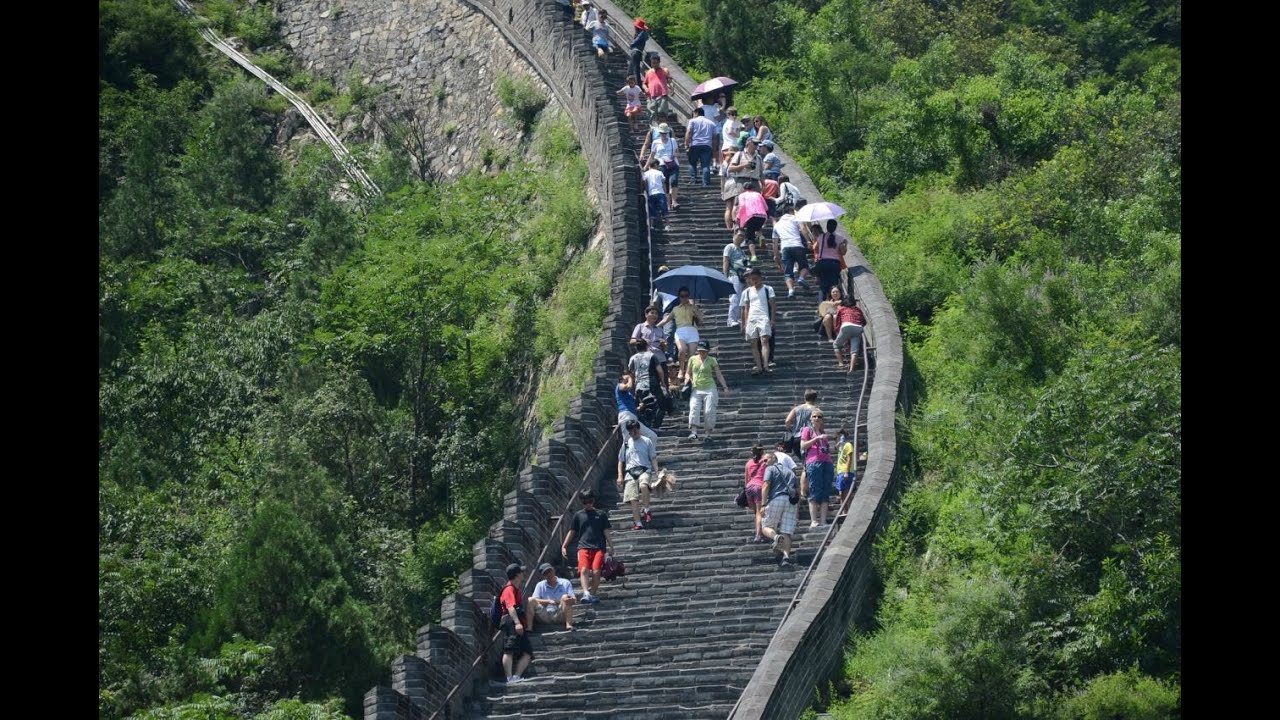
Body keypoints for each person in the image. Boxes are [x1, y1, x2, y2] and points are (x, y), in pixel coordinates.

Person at [561, 490, 614, 604]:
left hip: (599, 547)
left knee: (596, 571)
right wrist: (564, 546)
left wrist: (611, 546)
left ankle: (593, 594)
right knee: (584, 569)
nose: (588, 504)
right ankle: (586, 593)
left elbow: (606, 531)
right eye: (585, 502)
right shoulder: (578, 515)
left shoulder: (601, 514)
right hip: (583, 547)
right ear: (582, 502)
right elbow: (572, 531)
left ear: (593, 500)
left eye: (589, 501)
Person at [617, 419, 662, 530]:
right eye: (631, 431)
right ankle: (638, 523)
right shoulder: (626, 443)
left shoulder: (647, 441)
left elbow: (653, 458)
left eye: (635, 430)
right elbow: (620, 461)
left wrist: (657, 472)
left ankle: (646, 510)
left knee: (643, 485)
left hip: (644, 469)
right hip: (630, 471)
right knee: (633, 498)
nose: (633, 433)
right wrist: (620, 476)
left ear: (638, 429)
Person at [760, 451, 799, 566]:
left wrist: (763, 504)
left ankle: (776, 537)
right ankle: (786, 557)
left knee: (766, 526)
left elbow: (766, 485)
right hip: (791, 502)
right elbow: (797, 491)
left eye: (766, 460)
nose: (764, 463)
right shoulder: (791, 473)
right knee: (787, 531)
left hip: (777, 498)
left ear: (773, 458)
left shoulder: (770, 469)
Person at [686, 340, 730, 440]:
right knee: (693, 408)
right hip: (696, 388)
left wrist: (725, 387)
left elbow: (718, 374)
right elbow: (688, 372)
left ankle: (707, 434)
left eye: (704, 351)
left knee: (709, 410)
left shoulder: (712, 360)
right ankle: (694, 432)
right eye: (700, 351)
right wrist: (687, 379)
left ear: (708, 351)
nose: (702, 353)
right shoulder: (692, 359)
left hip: (710, 388)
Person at [659, 286, 703, 384]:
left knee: (691, 354)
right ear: (679, 297)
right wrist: (655, 326)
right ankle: (681, 371)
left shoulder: (693, 308)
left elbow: (701, 321)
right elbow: (666, 320)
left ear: (689, 296)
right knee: (682, 350)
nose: (684, 298)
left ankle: (688, 372)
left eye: (686, 296)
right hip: (681, 331)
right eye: (682, 296)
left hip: (692, 331)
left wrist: (697, 314)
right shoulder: (675, 309)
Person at [800, 408, 834, 527]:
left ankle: (823, 520)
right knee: (814, 490)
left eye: (819, 417)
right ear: (810, 418)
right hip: (813, 462)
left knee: (825, 492)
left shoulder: (822, 432)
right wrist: (816, 439)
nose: (816, 419)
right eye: (814, 416)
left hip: (826, 462)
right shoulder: (807, 430)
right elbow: (803, 446)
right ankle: (814, 520)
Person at [499, 563, 533, 683]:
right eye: (521, 572)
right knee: (509, 649)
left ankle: (516, 676)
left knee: (527, 652)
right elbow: (510, 607)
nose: (523, 574)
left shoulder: (515, 589)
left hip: (517, 621)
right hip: (511, 621)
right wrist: (517, 623)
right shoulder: (509, 589)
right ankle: (509, 677)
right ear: (517, 574)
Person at [739, 268, 776, 374]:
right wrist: (744, 323)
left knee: (764, 340)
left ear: (760, 278)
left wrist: (773, 319)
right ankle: (759, 366)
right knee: (753, 343)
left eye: (756, 278)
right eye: (752, 279)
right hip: (751, 318)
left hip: (763, 316)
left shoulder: (768, 289)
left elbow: (773, 305)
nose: (754, 281)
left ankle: (765, 365)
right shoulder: (747, 291)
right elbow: (746, 308)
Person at [772, 202, 811, 298]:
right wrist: (808, 241)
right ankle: (801, 278)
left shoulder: (777, 225)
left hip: (785, 248)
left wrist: (776, 255)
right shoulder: (796, 218)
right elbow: (803, 228)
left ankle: (790, 291)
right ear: (791, 211)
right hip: (797, 245)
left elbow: (775, 242)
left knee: (788, 272)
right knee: (804, 266)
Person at [529, 562, 578, 632]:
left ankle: (569, 625)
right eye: (545, 573)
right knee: (530, 599)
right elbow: (534, 599)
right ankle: (529, 627)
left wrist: (565, 600)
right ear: (543, 576)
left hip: (560, 613)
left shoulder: (565, 582)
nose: (548, 574)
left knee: (565, 596)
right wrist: (549, 601)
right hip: (545, 614)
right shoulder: (540, 585)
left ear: (553, 570)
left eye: (549, 571)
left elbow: (574, 599)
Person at [616, 371, 660, 443]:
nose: (631, 379)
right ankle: (625, 454)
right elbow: (629, 386)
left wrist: (639, 408)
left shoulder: (628, 394)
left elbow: (631, 407)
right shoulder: (619, 386)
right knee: (628, 442)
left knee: (652, 436)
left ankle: (648, 454)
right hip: (626, 416)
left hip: (633, 417)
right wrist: (629, 377)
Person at [810, 219, 847, 302]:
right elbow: (843, 253)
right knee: (833, 286)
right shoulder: (840, 238)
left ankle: (822, 306)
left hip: (823, 263)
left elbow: (816, 248)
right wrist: (846, 244)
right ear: (835, 227)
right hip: (834, 264)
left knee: (823, 286)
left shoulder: (821, 237)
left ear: (826, 227)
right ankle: (831, 304)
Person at [632, 304, 670, 378]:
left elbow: (666, 348)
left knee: (664, 382)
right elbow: (632, 341)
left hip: (660, 358)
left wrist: (664, 344)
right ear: (646, 314)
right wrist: (642, 340)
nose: (654, 315)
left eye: (656, 314)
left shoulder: (660, 330)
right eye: (652, 313)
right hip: (646, 358)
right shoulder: (640, 326)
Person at [831, 297, 866, 373]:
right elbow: (864, 321)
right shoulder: (858, 309)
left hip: (846, 326)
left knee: (836, 344)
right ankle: (851, 369)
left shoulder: (842, 309)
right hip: (858, 327)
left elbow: (838, 322)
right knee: (854, 350)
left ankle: (841, 363)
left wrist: (837, 331)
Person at [650, 123, 681, 211]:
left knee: (674, 181)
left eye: (665, 133)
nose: (664, 135)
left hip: (673, 163)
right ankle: (668, 204)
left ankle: (674, 201)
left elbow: (678, 153)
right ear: (659, 133)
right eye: (662, 133)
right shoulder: (655, 142)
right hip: (662, 165)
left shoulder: (672, 141)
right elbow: (652, 155)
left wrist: (675, 155)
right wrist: (648, 166)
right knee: (665, 184)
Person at [735, 180, 769, 259]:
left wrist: (738, 217)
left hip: (751, 216)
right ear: (753, 188)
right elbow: (766, 207)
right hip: (762, 216)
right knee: (757, 228)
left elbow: (742, 206)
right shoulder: (758, 194)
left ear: (744, 188)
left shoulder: (742, 195)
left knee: (750, 236)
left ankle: (753, 255)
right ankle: (761, 237)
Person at [722, 231, 749, 328]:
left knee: (741, 298)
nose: (741, 238)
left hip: (741, 276)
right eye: (740, 235)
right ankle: (731, 319)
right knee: (735, 297)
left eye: (743, 236)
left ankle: (738, 317)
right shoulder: (730, 247)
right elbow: (726, 260)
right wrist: (725, 276)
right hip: (733, 275)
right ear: (734, 235)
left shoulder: (741, 251)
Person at [685, 109, 718, 187]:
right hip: (707, 145)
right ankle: (705, 182)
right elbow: (715, 137)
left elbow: (689, 132)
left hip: (695, 144)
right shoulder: (711, 123)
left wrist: (686, 143)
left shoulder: (692, 121)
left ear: (696, 113)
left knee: (692, 163)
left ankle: (693, 180)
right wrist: (714, 148)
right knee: (705, 165)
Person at [744, 444, 769, 542]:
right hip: (759, 487)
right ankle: (758, 535)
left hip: (749, 487)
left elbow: (746, 479)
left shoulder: (748, 463)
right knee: (759, 513)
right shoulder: (765, 462)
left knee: (756, 513)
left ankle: (759, 532)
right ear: (762, 452)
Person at [784, 389, 819, 457]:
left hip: (796, 437)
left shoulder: (796, 408)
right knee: (809, 459)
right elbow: (820, 424)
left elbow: (787, 421)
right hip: (810, 437)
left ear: (805, 397)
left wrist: (790, 430)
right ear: (815, 398)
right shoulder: (816, 409)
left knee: (803, 461)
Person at [642, 158, 669, 231]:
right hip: (660, 192)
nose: (659, 167)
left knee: (652, 209)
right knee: (664, 208)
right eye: (658, 165)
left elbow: (645, 184)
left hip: (651, 193)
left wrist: (647, 192)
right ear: (655, 165)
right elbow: (663, 183)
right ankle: (667, 225)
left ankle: (652, 226)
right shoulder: (659, 173)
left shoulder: (646, 173)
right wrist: (666, 193)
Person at [643, 55, 672, 120]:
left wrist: (671, 88)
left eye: (655, 63)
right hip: (652, 95)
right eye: (652, 63)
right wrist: (646, 89)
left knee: (662, 112)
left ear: (659, 62)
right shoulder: (648, 72)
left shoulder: (664, 70)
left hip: (662, 94)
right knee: (652, 113)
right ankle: (654, 128)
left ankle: (662, 127)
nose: (654, 65)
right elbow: (644, 84)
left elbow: (670, 80)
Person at [834, 427, 857, 504]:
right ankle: (844, 511)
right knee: (841, 494)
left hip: (845, 472)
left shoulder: (848, 445)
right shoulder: (841, 447)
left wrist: (846, 472)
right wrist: (838, 444)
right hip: (840, 472)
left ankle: (847, 511)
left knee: (845, 493)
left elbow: (849, 459)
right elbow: (834, 448)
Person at [629, 18, 650, 84]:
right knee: (633, 67)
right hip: (638, 52)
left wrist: (631, 44)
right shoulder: (643, 34)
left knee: (635, 68)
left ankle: (638, 83)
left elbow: (635, 41)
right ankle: (631, 81)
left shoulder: (641, 33)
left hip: (635, 52)